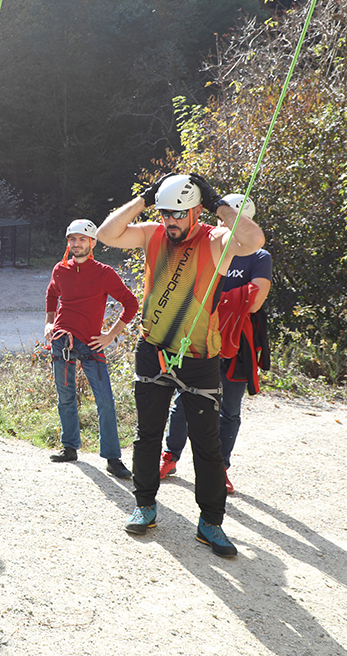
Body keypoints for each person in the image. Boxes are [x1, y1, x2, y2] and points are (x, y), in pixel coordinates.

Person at [97, 173, 264, 558]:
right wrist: (144, 198)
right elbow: (106, 234)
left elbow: (254, 241)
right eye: (165, 212)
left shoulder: (215, 239)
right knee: (147, 434)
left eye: (177, 214)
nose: (170, 221)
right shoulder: (153, 233)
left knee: (207, 445)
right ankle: (144, 505)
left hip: (200, 357)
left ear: (195, 211)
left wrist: (218, 203)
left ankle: (211, 523)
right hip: (153, 349)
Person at [159, 193, 272, 493]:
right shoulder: (208, 246)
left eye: (232, 220)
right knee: (184, 400)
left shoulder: (259, 257)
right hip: (198, 338)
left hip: (236, 345)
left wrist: (214, 302)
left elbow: (255, 302)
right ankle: (170, 456)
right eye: (222, 219)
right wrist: (232, 297)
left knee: (229, 410)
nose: (224, 225)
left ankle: (220, 468)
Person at [44, 218, 138, 480]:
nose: (76, 244)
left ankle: (112, 458)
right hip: (62, 341)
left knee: (105, 399)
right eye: (72, 239)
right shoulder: (60, 269)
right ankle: (69, 447)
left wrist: (110, 335)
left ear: (92, 243)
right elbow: (52, 294)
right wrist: (49, 322)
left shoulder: (104, 273)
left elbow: (131, 304)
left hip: (91, 343)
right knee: (65, 396)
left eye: (82, 239)